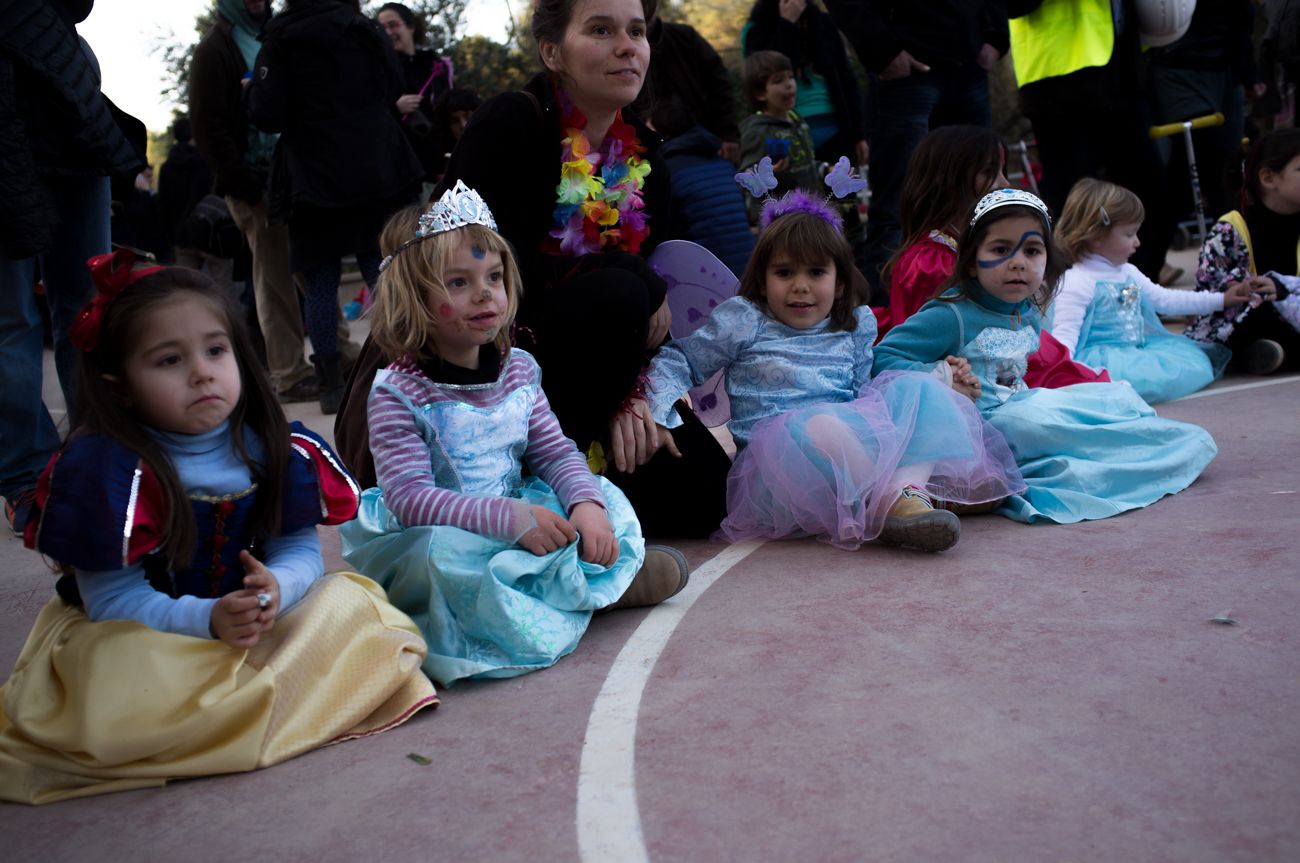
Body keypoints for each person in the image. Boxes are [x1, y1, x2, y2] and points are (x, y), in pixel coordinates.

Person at [0, 252, 437, 805]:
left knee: (353, 605)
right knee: (111, 675)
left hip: (247, 621)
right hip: (147, 634)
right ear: (119, 386)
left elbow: (299, 550)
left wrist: (278, 587)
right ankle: (242, 717)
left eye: (215, 350)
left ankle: (236, 712)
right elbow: (112, 598)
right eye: (168, 360)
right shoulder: (107, 470)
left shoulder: (271, 445)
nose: (202, 371)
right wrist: (206, 618)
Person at [337, 0, 734, 539]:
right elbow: (468, 280)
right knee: (619, 291)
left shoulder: (646, 156)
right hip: (478, 381)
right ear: (553, 51)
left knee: (708, 492)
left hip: (598, 376)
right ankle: (519, 493)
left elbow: (656, 317)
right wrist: (626, 274)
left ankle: (579, 486)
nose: (627, 45)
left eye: (637, 31)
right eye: (601, 29)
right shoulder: (513, 122)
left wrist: (635, 397)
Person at [339, 187, 690, 687]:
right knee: (445, 561)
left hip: (514, 508)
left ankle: (573, 586)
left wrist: (585, 503)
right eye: (459, 282)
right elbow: (409, 498)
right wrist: (507, 518)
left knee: (598, 499)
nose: (485, 294)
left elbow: (554, 450)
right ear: (415, 297)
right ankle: (586, 593)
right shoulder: (398, 391)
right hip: (444, 528)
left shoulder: (519, 370)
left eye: (495, 278)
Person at [624, 185, 1025, 552]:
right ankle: (894, 498)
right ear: (762, 280)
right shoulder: (745, 319)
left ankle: (904, 496)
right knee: (821, 424)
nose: (800, 286)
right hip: (779, 473)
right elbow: (680, 359)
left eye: (816, 273)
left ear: (838, 279)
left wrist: (939, 381)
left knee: (917, 389)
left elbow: (866, 394)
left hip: (848, 452)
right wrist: (659, 410)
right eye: (785, 273)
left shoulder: (851, 325)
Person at [874, 189, 1219, 524]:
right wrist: (942, 375)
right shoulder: (953, 314)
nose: (1018, 263)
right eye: (1001, 249)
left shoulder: (1027, 311)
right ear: (972, 262)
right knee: (1032, 418)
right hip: (987, 429)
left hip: (1025, 413)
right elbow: (884, 356)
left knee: (1115, 396)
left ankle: (1147, 443)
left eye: (1032, 251)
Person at [1, 0, 143, 534]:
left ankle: (100, 456)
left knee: (90, 303)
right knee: (11, 318)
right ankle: (25, 477)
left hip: (67, 107)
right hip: (15, 111)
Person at [246, 0, 423, 414]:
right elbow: (393, 85)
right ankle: (404, 365)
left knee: (321, 285)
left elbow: (267, 114)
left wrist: (253, 91)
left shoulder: (279, 39)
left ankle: (330, 385)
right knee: (384, 272)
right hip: (373, 167)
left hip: (313, 178)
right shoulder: (363, 30)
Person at [882, 125, 1112, 389]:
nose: (1004, 183)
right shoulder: (931, 263)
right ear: (947, 177)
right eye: (990, 173)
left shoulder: (960, 246)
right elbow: (943, 339)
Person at [190, 0, 329, 404]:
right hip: (254, 183)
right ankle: (289, 372)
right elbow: (208, 126)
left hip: (297, 175)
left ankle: (334, 354)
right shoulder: (216, 49)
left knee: (318, 268)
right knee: (273, 277)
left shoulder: (278, 33)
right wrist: (246, 185)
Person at [823, 0, 1007, 302]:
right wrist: (882, 50)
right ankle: (884, 322)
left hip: (968, 62)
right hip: (905, 66)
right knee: (899, 205)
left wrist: (995, 35)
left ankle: (986, 303)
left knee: (985, 201)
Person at [1004, 0, 1170, 283]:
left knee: (1147, 186)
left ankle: (1137, 290)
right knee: (1070, 197)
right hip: (1058, 79)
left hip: (1120, 72)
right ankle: (1069, 293)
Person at [1052, 178, 1244, 402]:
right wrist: (1064, 375)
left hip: (1138, 353)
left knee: (1195, 365)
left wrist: (1221, 300)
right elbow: (1064, 336)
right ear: (1095, 236)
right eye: (1129, 234)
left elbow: (1166, 300)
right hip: (1102, 361)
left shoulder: (1127, 271)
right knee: (1132, 384)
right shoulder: (1078, 281)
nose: (1137, 242)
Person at [1187, 128, 1300, 374]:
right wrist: (1246, 288)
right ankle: (1256, 354)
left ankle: (1272, 355)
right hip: (1251, 317)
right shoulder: (1231, 228)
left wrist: (1285, 289)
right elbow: (1208, 291)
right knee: (1253, 317)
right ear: (1269, 178)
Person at [742, 0, 868, 169]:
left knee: (841, 194)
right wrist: (786, 24)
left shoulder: (822, 23)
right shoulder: (755, 30)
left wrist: (859, 134)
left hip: (835, 131)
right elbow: (762, 74)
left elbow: (846, 79)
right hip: (784, 133)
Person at [634, 17, 741, 162]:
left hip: (706, 148)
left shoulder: (684, 37)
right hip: (646, 159)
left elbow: (720, 86)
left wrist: (728, 133)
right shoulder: (619, 47)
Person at [376, 2, 454, 194]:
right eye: (382, 28)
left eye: (394, 25)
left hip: (434, 166)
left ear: (410, 26)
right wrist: (394, 108)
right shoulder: (377, 69)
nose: (388, 32)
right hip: (395, 169)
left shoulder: (436, 65)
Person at [738, 50, 821, 226]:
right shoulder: (757, 131)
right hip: (780, 222)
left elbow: (805, 161)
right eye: (778, 80)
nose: (789, 85)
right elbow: (744, 180)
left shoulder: (797, 120)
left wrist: (825, 169)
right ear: (760, 94)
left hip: (807, 214)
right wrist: (768, 172)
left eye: (790, 77)